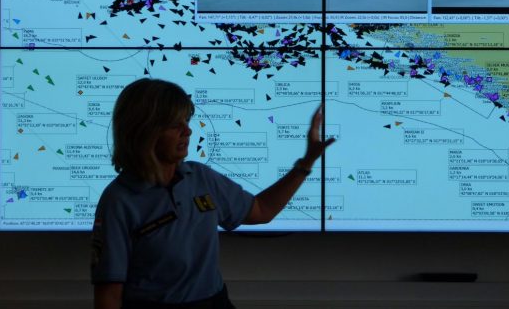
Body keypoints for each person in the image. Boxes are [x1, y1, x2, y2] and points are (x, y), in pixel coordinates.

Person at [91, 78, 333, 309]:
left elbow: (261, 210)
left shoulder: (200, 177)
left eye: (186, 121)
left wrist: (306, 162)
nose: (187, 131)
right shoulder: (119, 200)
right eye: (175, 125)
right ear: (145, 131)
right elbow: (108, 295)